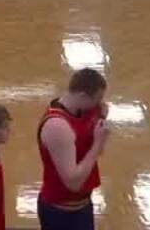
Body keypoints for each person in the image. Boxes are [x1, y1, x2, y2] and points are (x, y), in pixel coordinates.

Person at [37, 68, 109, 230]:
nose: (100, 104)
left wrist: (101, 118)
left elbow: (86, 150)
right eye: (97, 99)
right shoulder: (57, 126)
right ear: (83, 96)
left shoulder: (82, 110)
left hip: (82, 206)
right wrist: (98, 144)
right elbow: (73, 182)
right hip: (61, 214)